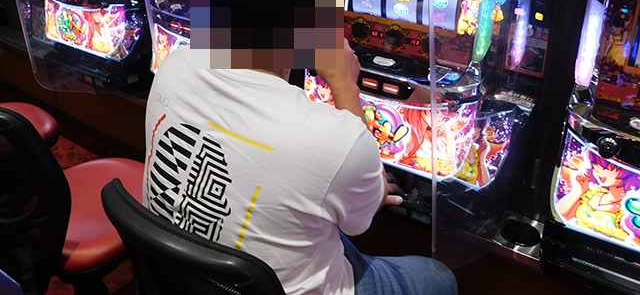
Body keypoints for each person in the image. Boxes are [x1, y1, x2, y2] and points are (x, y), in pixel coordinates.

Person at [144, 40, 458, 295]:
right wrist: (343, 83)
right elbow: (362, 217)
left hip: (182, 274)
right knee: (437, 276)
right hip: (253, 282)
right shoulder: (332, 139)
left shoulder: (175, 63)